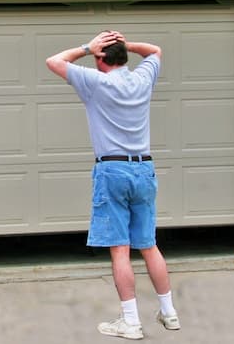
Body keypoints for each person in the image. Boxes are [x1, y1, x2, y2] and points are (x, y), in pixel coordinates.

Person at [45, 30, 180, 340]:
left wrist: (86, 47)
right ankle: (169, 313)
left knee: (120, 250)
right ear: (124, 56)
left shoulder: (96, 83)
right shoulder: (142, 78)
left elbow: (53, 61)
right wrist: (124, 44)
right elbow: (155, 49)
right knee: (148, 245)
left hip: (112, 170)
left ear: (100, 59)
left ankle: (131, 322)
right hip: (143, 168)